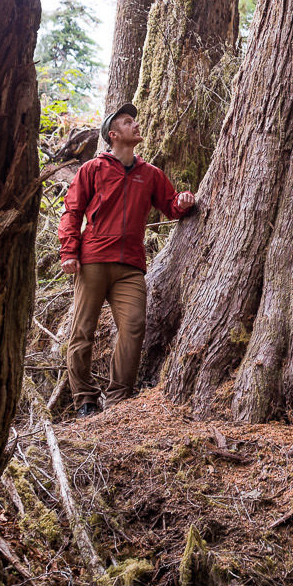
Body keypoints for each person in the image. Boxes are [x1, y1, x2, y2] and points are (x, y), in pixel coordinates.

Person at [58, 103, 196, 416]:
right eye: (128, 121)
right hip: (92, 261)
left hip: (131, 267)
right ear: (113, 134)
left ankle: (118, 399)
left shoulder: (150, 174)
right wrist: (69, 251)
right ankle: (85, 400)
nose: (136, 125)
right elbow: (72, 212)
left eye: (134, 120)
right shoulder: (92, 170)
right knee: (82, 331)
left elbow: (171, 205)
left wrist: (184, 201)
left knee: (134, 326)